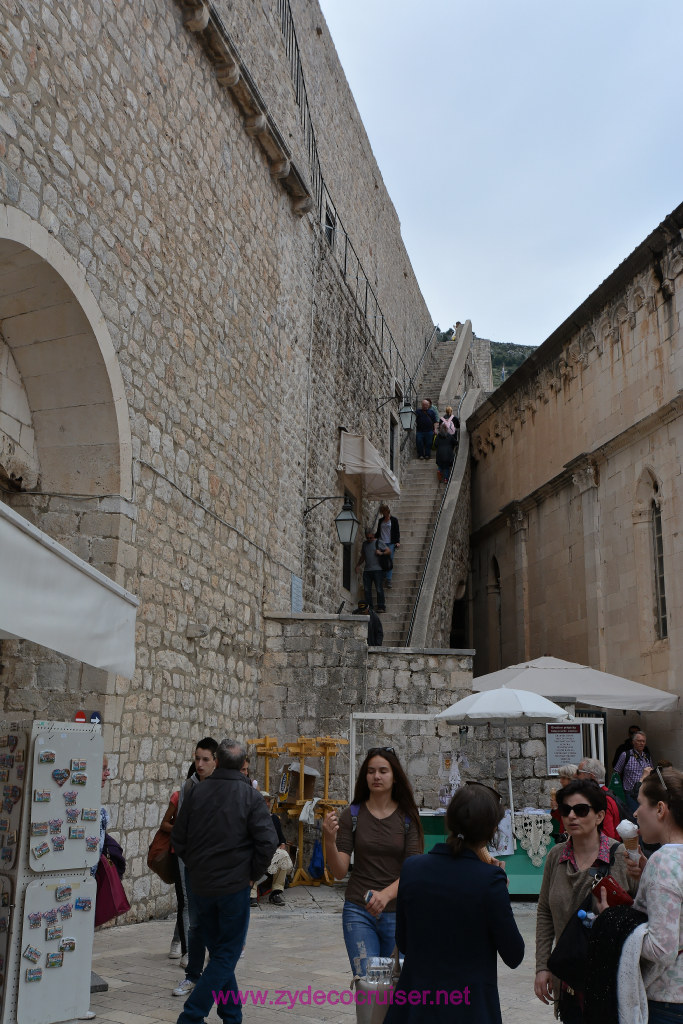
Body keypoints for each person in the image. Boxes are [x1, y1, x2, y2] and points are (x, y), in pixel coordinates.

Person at [385, 783, 524, 1023]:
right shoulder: (490, 881)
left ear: (449, 820)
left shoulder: (412, 869)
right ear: (491, 831)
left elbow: (404, 942)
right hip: (469, 1009)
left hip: (416, 1007)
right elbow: (514, 954)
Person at [171, 739, 277, 1024]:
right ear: (243, 765)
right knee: (226, 954)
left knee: (219, 951)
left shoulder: (196, 792)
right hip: (233, 887)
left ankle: (232, 1015)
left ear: (216, 760)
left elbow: (178, 838)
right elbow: (268, 842)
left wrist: (196, 865)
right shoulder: (250, 797)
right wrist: (252, 874)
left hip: (202, 885)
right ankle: (191, 1016)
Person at [535, 778, 638, 1022]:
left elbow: (641, 911)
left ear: (600, 816)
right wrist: (542, 967)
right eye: (565, 810)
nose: (571, 816)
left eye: (581, 810)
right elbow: (544, 912)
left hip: (612, 984)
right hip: (570, 981)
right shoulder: (555, 856)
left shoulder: (622, 857)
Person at [322, 747, 423, 978]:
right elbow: (339, 871)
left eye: (383, 771)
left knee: (394, 985)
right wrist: (329, 840)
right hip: (358, 911)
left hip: (397, 914)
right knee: (369, 983)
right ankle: (369, 1016)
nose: (376, 776)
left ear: (394, 776)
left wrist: (385, 895)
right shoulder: (352, 815)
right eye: (371, 771)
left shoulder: (408, 817)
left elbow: (414, 871)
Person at [612, 766, 683, 1023]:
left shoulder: (663, 862)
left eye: (641, 803)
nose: (635, 812)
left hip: (669, 1000)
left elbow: (662, 948)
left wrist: (614, 924)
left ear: (661, 809)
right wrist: (646, 876)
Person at [173, 738, 218, 998]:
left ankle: (214, 973)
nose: (199, 764)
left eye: (205, 759)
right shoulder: (188, 787)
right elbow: (180, 828)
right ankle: (192, 975)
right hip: (193, 863)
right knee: (195, 920)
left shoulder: (223, 788)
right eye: (197, 759)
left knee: (217, 918)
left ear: (215, 761)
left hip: (217, 867)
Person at [250, 792, 292, 908]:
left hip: (272, 853)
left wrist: (282, 845)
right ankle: (252, 895)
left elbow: (281, 839)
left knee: (283, 855)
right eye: (264, 801)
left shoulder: (274, 819)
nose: (267, 804)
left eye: (268, 801)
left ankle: (276, 892)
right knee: (250, 856)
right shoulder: (251, 818)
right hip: (256, 852)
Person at [161, 787, 186, 962]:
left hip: (204, 855)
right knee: (185, 901)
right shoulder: (178, 796)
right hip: (180, 853)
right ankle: (178, 941)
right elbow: (164, 824)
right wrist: (178, 829)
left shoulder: (214, 793)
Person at [576, 758, 621, 839]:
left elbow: (608, 835)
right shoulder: (601, 795)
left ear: (591, 776)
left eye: (579, 772)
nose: (576, 776)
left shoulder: (604, 799)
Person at [615, 731, 653, 814]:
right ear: (633, 742)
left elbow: (651, 772)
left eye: (643, 741)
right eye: (639, 741)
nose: (641, 743)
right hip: (630, 794)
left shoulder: (647, 756)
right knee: (634, 818)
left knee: (644, 818)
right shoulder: (626, 755)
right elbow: (616, 773)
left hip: (644, 793)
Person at [355, 527, 390, 612]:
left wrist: (381, 553)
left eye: (370, 537)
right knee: (367, 590)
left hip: (378, 570)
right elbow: (363, 556)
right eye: (367, 538)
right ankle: (370, 608)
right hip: (367, 571)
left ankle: (381, 606)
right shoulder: (365, 544)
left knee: (379, 588)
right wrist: (358, 565)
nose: (369, 539)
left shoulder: (379, 542)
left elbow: (388, 551)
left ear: (373, 535)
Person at [549, 764, 578, 844]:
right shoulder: (563, 794)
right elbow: (561, 817)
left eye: (563, 778)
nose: (560, 780)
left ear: (570, 778)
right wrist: (555, 808)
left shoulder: (579, 795)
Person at [374, 503, 400, 588]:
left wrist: (397, 541)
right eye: (382, 512)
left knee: (389, 559)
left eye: (384, 511)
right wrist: (373, 537)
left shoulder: (394, 520)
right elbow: (378, 532)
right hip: (382, 542)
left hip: (391, 542)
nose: (384, 513)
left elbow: (397, 532)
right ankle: (383, 576)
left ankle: (388, 580)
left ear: (388, 511)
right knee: (382, 560)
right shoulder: (380, 521)